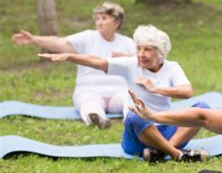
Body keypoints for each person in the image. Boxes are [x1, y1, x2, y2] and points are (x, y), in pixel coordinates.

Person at [38, 25, 210, 162]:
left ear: (160, 52)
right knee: (134, 115)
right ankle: (177, 154)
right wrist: (70, 56)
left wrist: (154, 89)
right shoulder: (130, 64)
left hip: (165, 128)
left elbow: (187, 91)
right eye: (139, 49)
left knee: (203, 108)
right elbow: (98, 61)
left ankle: (163, 151)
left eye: (147, 50)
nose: (141, 54)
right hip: (138, 138)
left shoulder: (172, 67)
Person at [11, 2, 136, 129]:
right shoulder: (87, 37)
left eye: (104, 18)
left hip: (119, 90)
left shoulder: (128, 43)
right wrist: (34, 39)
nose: (99, 22)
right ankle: (96, 118)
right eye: (97, 19)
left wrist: (128, 58)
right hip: (89, 89)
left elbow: (143, 63)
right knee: (89, 102)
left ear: (117, 22)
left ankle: (132, 121)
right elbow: (59, 42)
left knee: (129, 100)